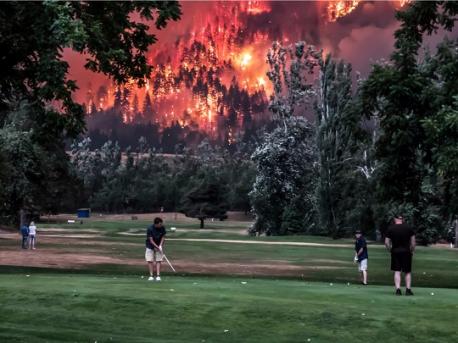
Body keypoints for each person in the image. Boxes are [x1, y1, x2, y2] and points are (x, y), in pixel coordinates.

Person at [385, 215, 416, 296]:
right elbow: (413, 242)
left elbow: (386, 242)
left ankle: (398, 290)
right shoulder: (409, 228)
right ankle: (408, 290)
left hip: (395, 251)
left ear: (395, 219)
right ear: (402, 219)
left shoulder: (390, 228)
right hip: (406, 252)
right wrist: (412, 250)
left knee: (397, 271)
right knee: (407, 271)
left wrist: (390, 250)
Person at [145, 217, 166, 281]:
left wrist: (160, 246)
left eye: (161, 224)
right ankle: (151, 276)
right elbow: (151, 240)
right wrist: (157, 247)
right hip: (150, 245)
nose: (161, 225)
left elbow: (163, 237)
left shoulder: (162, 228)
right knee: (150, 260)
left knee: (159, 260)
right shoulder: (150, 229)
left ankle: (158, 276)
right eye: (160, 224)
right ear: (156, 224)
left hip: (159, 245)